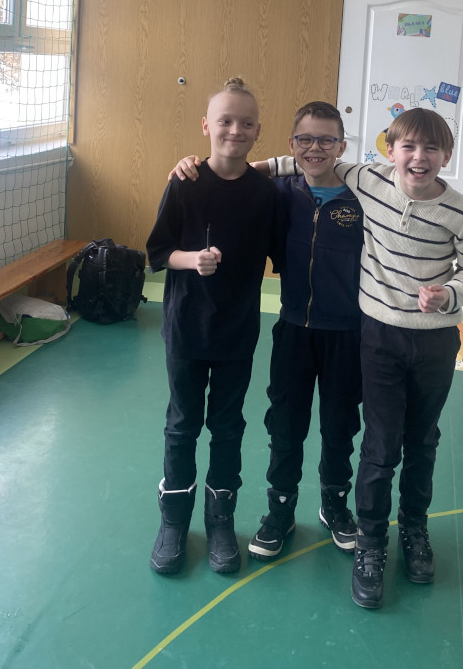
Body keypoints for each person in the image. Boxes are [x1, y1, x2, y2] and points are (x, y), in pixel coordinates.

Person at [299, 107, 463, 610]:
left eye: (431, 148)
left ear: (447, 155)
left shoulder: (461, 211)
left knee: (422, 440)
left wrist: (449, 294)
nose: (419, 157)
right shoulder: (369, 180)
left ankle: (413, 528)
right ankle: (370, 542)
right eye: (408, 146)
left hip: (435, 342)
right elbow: (313, 157)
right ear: (390, 151)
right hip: (380, 338)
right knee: (381, 445)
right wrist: (241, 166)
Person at [170, 101, 364, 562]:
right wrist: (193, 165)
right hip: (293, 329)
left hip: (347, 333)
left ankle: (335, 506)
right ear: (291, 144)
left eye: (327, 140)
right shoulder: (280, 192)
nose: (315, 148)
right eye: (305, 139)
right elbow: (237, 176)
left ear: (342, 146)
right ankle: (280, 511)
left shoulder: (363, 195)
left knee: (340, 424)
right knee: (286, 424)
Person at [146, 77, 281, 577]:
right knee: (182, 425)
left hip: (236, 333)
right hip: (186, 328)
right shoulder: (184, 181)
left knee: (227, 427)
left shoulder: (266, 193)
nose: (235, 130)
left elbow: (286, 252)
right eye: (225, 121)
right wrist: (192, 259)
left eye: (246, 123)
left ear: (258, 131)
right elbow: (158, 252)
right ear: (206, 125)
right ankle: (174, 522)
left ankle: (220, 521)